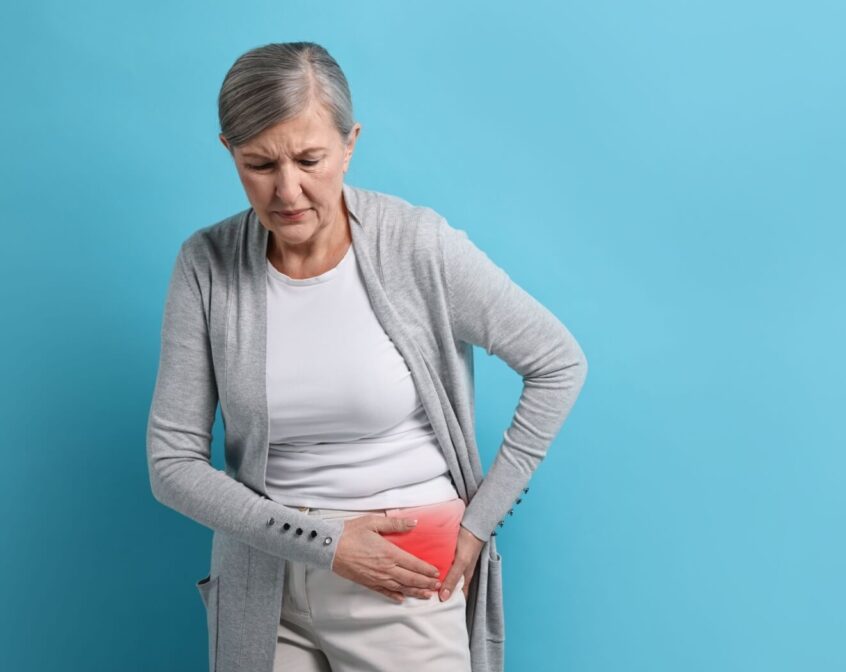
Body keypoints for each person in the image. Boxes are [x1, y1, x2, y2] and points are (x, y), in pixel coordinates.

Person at [146, 41, 587, 672]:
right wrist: (323, 543)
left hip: (405, 574)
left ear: (350, 144)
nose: (287, 189)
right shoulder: (206, 264)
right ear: (228, 153)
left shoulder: (417, 246)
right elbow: (171, 465)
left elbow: (558, 362)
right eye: (259, 164)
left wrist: (478, 524)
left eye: (310, 158)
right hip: (264, 582)